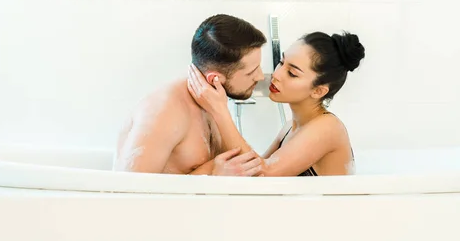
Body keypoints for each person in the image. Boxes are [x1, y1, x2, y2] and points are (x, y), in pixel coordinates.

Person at [187, 31, 365, 176]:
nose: (277, 74)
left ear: (318, 91)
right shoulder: (289, 128)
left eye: (292, 73)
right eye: (281, 62)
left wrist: (219, 110)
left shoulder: (328, 127)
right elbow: (249, 170)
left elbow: (261, 173)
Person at [113, 14, 267, 176]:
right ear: (215, 79)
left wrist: (220, 112)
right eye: (251, 72)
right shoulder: (164, 111)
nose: (261, 77)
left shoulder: (214, 103)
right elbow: (130, 192)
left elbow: (254, 175)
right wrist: (212, 173)